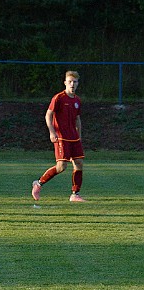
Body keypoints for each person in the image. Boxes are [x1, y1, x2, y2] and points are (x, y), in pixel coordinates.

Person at [31, 71, 86, 202]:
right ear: (65, 82)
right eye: (70, 81)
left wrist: (79, 135)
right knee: (62, 166)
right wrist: (52, 132)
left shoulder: (77, 100)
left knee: (79, 163)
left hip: (74, 137)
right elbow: (48, 115)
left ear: (78, 83)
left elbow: (77, 119)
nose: (72, 84)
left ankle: (75, 194)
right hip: (61, 136)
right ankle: (38, 183)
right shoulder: (58, 98)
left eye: (75, 82)